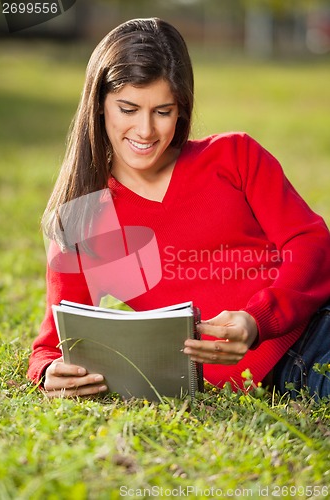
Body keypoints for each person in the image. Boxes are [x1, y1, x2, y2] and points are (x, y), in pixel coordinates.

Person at [28, 18, 330, 399]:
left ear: (181, 109)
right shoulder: (80, 219)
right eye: (128, 108)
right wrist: (49, 371)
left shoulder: (234, 155)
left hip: (315, 327)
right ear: (99, 105)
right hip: (283, 378)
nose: (145, 131)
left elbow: (311, 242)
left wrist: (257, 320)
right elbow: (54, 342)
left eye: (162, 111)